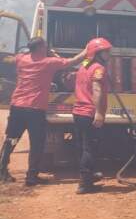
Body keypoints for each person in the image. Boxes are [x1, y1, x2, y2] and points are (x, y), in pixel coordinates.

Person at [0, 36, 87, 186]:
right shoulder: (49, 63)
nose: (47, 48)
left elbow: (11, 59)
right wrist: (87, 50)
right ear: (40, 48)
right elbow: (72, 62)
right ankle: (31, 177)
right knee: (37, 143)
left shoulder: (22, 59)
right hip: (35, 110)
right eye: (45, 46)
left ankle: (2, 171)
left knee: (11, 139)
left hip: (17, 107)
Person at [72, 37, 113, 195]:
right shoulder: (98, 69)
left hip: (78, 113)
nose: (109, 55)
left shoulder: (83, 66)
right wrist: (98, 112)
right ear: (98, 53)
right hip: (89, 113)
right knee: (90, 148)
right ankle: (84, 184)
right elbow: (96, 90)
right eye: (106, 52)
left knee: (83, 147)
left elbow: (83, 62)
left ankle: (87, 177)